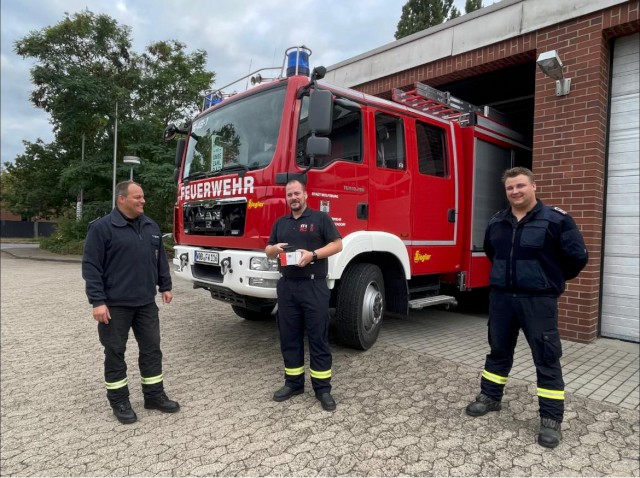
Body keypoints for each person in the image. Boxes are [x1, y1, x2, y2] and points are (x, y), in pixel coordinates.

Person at [465, 167, 588, 448]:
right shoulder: (497, 222)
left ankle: (551, 419)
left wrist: (548, 279)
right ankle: (490, 397)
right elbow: (492, 252)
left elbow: (577, 257)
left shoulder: (557, 221)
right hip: (502, 300)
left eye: (520, 185)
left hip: (538, 301)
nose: (515, 191)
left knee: (546, 358)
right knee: (498, 351)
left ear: (533, 186)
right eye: (510, 188)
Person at [82, 181, 179, 424]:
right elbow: (91, 267)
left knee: (152, 349)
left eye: (143, 197)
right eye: (137, 197)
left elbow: (159, 261)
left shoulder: (151, 226)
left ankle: (154, 396)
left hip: (146, 303)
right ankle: (119, 401)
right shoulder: (102, 228)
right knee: (115, 352)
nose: (142, 201)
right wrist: (97, 301)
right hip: (114, 306)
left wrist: (165, 286)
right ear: (121, 200)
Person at [265, 178, 343, 411]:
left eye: (297, 193)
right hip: (287, 286)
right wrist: (273, 250)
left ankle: (323, 389)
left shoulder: (321, 219)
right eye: (289, 195)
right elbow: (268, 250)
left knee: (318, 337)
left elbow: (338, 244)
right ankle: (294, 383)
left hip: (313, 286)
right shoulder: (281, 223)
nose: (293, 198)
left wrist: (313, 255)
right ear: (286, 198)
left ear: (306, 195)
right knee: (289, 337)